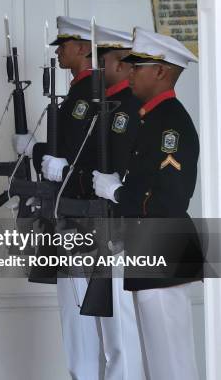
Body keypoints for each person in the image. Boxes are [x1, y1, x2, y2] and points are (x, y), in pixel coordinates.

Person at [92, 27, 201, 380]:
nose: (131, 71)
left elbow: (169, 198)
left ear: (162, 72)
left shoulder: (171, 125)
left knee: (172, 364)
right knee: (156, 361)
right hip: (147, 248)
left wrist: (118, 193)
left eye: (139, 66)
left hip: (163, 250)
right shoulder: (150, 119)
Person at [13, 16, 101, 380]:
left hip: (79, 213)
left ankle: (84, 374)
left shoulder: (87, 93)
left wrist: (37, 152)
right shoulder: (78, 92)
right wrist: (37, 150)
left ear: (83, 48)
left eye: (64, 45)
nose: (59, 51)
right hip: (69, 209)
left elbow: (73, 154)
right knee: (74, 306)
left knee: (79, 309)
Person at [83, 25, 146, 380]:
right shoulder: (109, 106)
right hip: (103, 223)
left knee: (122, 332)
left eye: (102, 61)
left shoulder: (131, 110)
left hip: (123, 225)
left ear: (122, 66)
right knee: (109, 332)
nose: (97, 69)